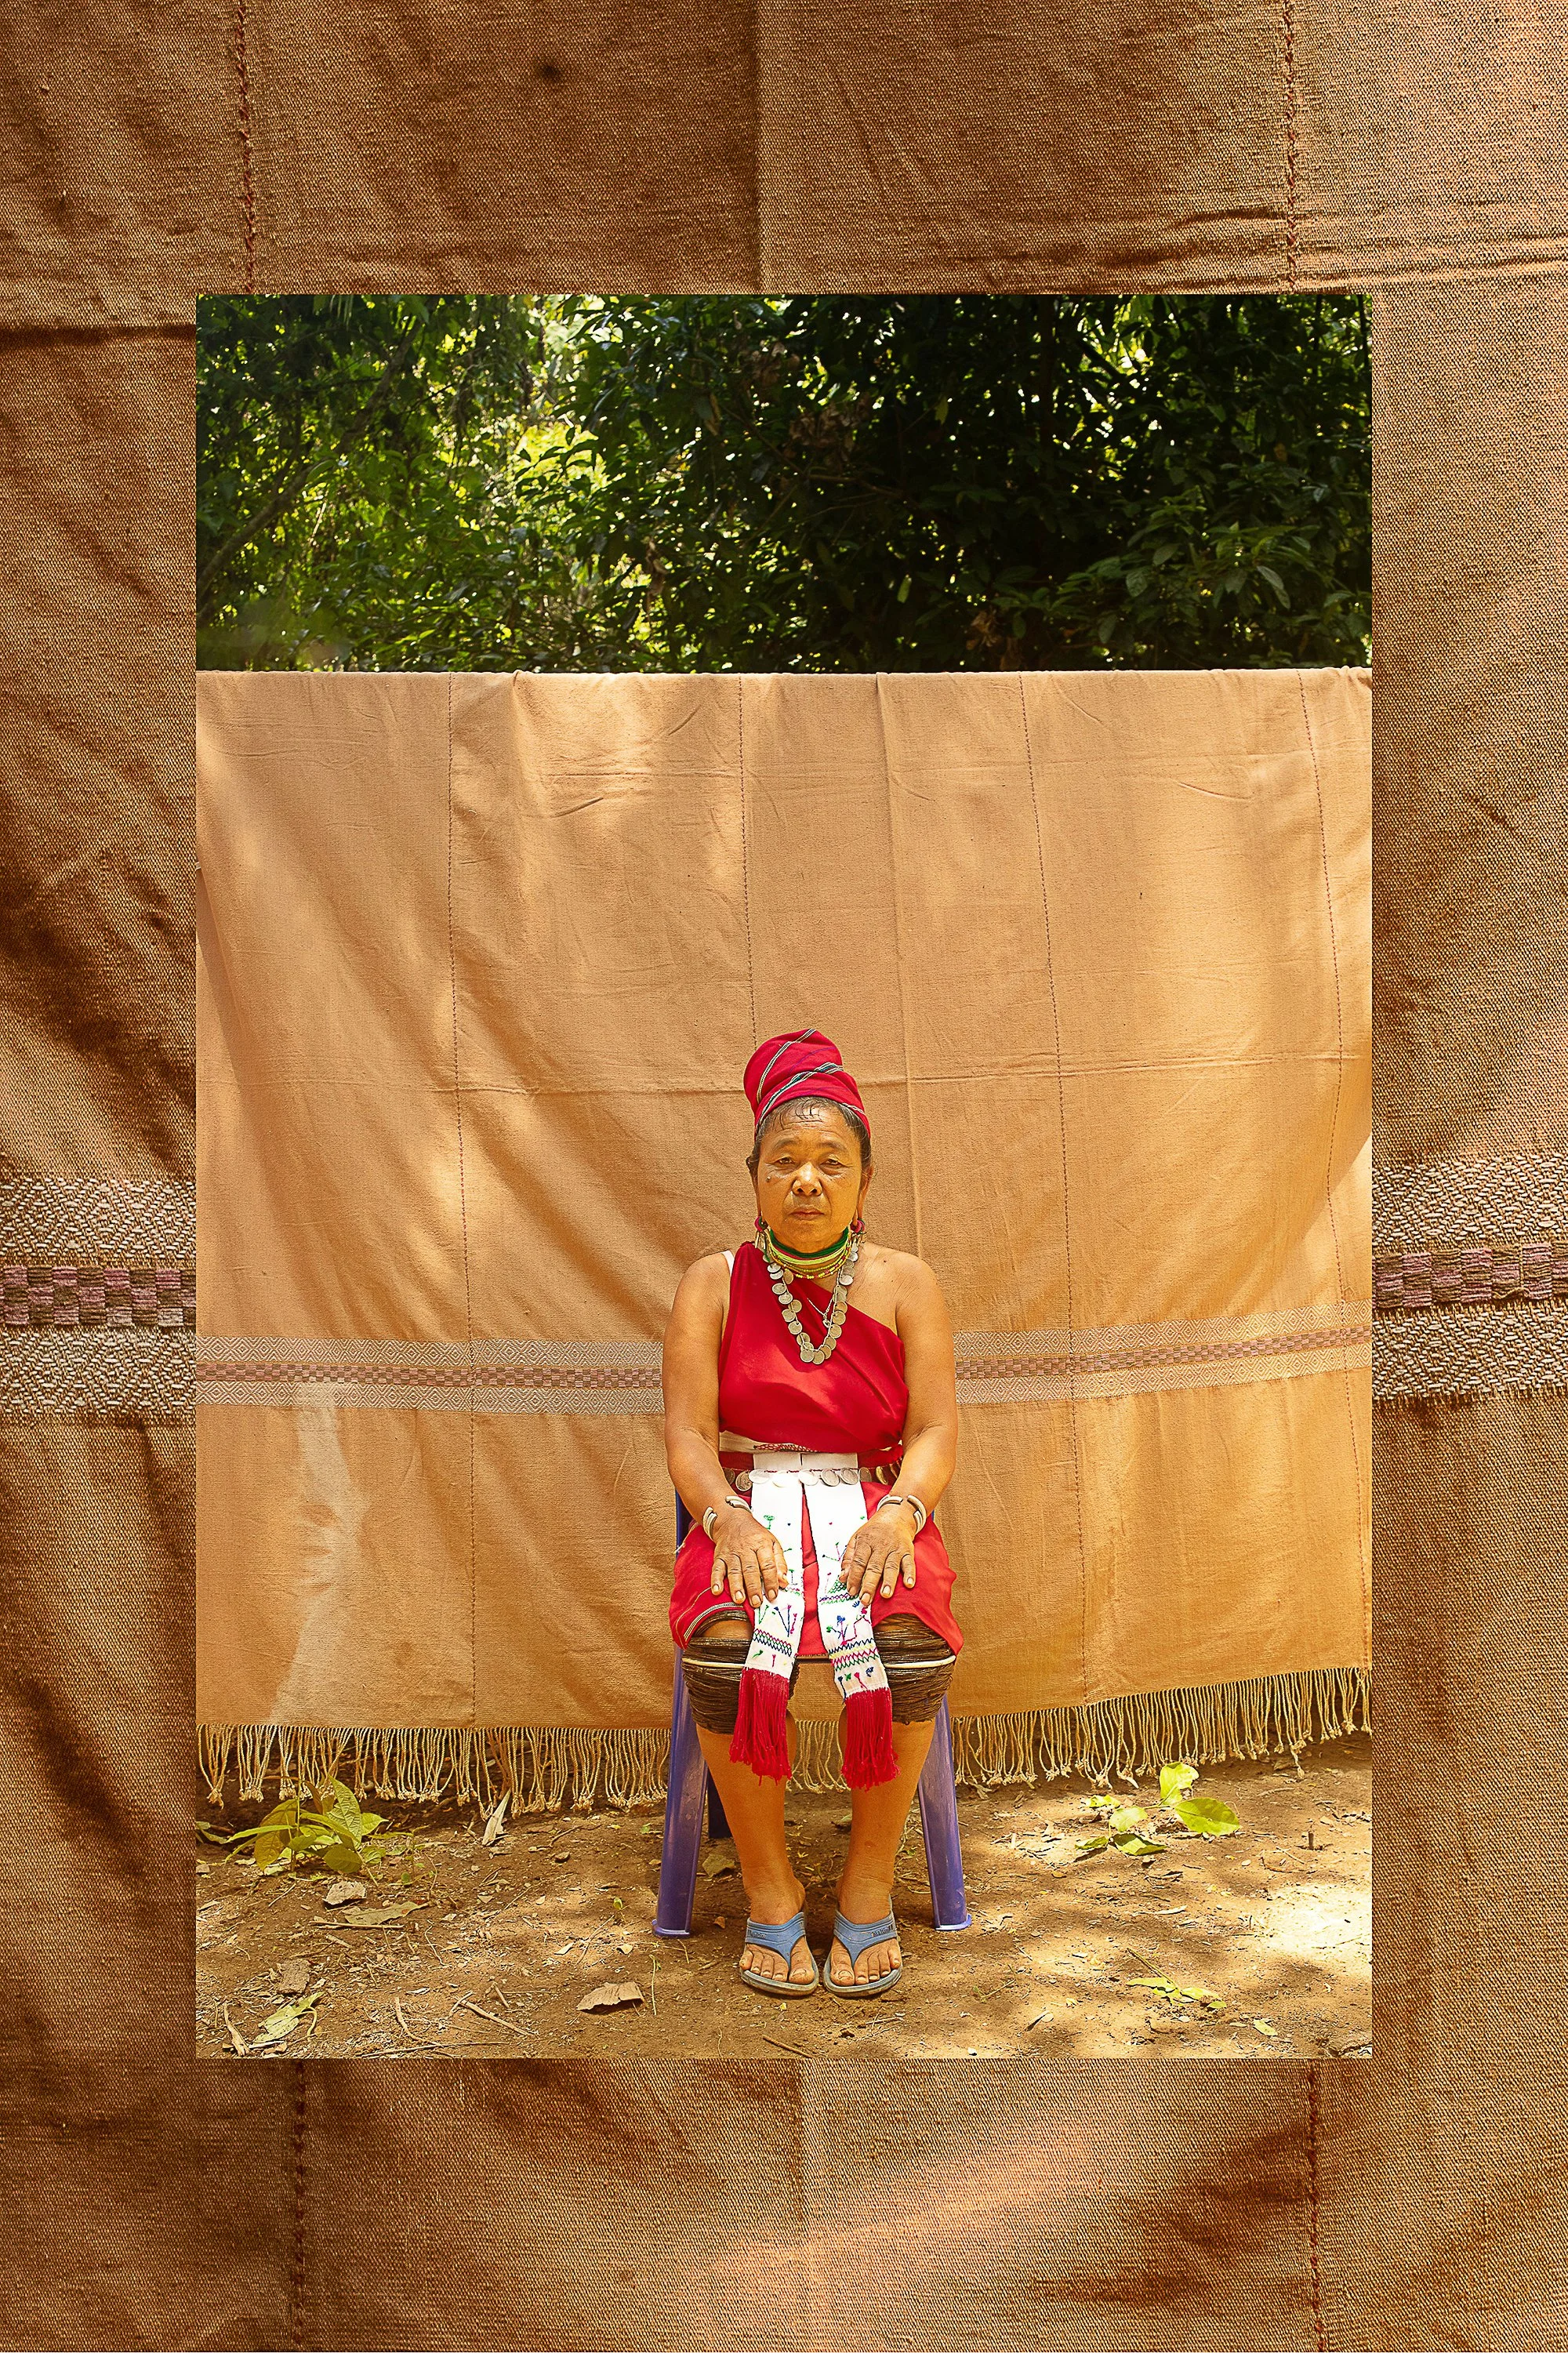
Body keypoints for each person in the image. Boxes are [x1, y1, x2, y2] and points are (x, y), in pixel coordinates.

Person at [662, 1029, 962, 1999]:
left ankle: (868, 1882)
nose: (806, 1179)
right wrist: (726, 1522)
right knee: (721, 1645)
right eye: (783, 1161)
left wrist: (902, 1514)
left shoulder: (908, 1283)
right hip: (742, 1510)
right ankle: (770, 1888)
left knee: (909, 1642)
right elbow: (687, 1437)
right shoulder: (710, 1285)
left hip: (875, 1505)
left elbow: (934, 1430)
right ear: (752, 1177)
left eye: (831, 1162)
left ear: (865, 1180)